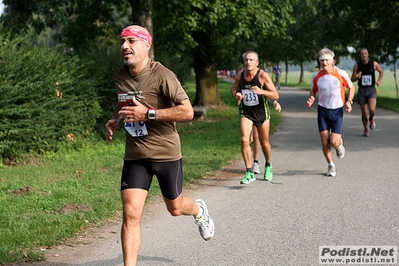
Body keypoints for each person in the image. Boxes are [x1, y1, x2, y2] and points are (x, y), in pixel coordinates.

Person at [105, 25, 215, 266]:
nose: (125, 46)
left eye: (131, 41)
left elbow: (187, 112)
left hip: (166, 153)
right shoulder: (119, 76)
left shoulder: (163, 75)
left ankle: (198, 211)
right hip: (135, 155)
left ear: (147, 45)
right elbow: (124, 101)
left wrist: (149, 114)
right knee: (131, 213)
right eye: (122, 42)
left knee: (175, 208)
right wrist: (116, 118)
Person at [231, 50, 280, 184]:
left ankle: (268, 165)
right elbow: (234, 88)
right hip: (246, 113)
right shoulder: (240, 75)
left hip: (261, 113)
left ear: (257, 63)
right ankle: (249, 171)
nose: (248, 62)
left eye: (251, 60)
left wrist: (261, 91)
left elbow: (275, 95)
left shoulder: (262, 76)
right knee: (244, 139)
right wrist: (237, 95)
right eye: (246, 60)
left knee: (264, 143)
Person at [306, 48, 355, 177]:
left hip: (337, 110)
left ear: (333, 61)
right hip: (322, 110)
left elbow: (351, 87)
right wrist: (311, 98)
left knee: (333, 141)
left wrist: (349, 101)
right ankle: (331, 165)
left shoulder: (341, 73)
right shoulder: (316, 76)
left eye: (327, 60)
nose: (324, 63)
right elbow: (313, 90)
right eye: (322, 61)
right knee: (324, 139)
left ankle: (339, 145)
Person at [351, 48, 384, 137]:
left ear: (368, 54)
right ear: (360, 55)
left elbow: (381, 71)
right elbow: (352, 79)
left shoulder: (373, 64)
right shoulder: (357, 66)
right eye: (362, 54)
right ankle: (366, 128)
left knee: (372, 109)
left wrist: (379, 80)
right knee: (364, 112)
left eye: (365, 53)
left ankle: (371, 118)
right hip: (362, 90)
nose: (364, 55)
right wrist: (357, 77)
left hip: (371, 89)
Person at [250, 101, 282, 174]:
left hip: (261, 111)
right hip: (247, 111)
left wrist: (275, 101)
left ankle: (267, 164)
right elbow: (236, 89)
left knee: (263, 140)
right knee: (253, 136)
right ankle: (254, 163)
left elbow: (271, 91)